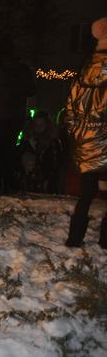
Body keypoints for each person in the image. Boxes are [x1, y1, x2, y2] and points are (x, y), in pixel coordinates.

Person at [65, 17, 107, 249]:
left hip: (86, 139)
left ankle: (74, 237)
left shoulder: (84, 68)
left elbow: (70, 106)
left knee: (87, 192)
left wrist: (77, 133)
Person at [0, 35, 36, 195]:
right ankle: (10, 182)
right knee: (11, 149)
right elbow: (32, 90)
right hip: (16, 115)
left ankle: (1, 184)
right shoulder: (23, 69)